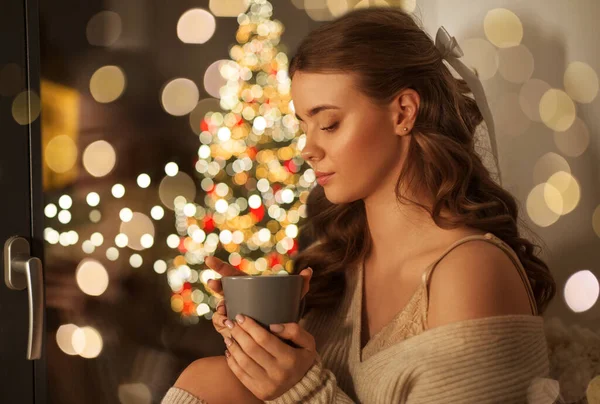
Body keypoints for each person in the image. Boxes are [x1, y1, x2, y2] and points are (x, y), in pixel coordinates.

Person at [162, 7, 556, 403]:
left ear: (403, 112)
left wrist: (302, 391)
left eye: (329, 123)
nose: (308, 149)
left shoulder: (469, 273)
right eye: (303, 125)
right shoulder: (338, 267)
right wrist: (261, 340)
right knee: (211, 377)